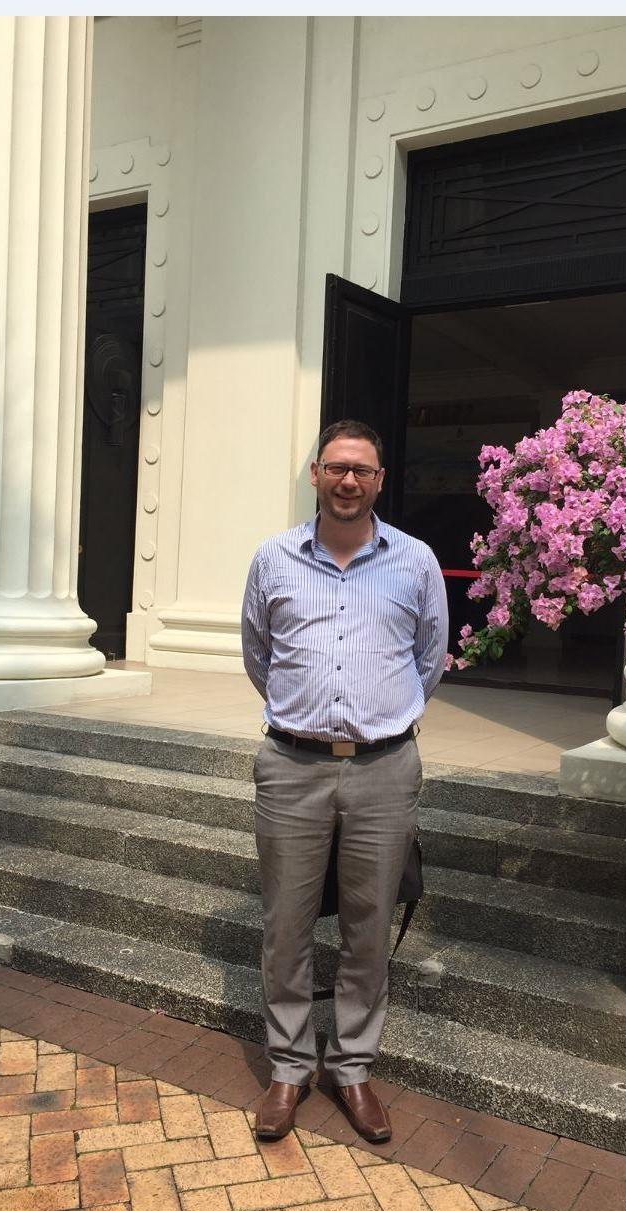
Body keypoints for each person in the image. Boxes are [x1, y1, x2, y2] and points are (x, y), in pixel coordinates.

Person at [241, 418, 449, 1143]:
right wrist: (307, 720)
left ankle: (353, 1068)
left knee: (367, 927)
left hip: (384, 769)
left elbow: (431, 657)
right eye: (335, 467)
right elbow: (257, 655)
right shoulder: (272, 559)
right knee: (285, 926)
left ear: (379, 480)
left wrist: (380, 720)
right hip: (291, 766)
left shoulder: (415, 561)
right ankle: (289, 1067)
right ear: (315, 474)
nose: (348, 480)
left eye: (361, 469)